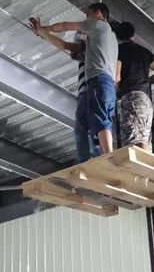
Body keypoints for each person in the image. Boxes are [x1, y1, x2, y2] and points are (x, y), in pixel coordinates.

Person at [33, 3, 119, 155]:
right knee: (102, 121)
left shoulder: (99, 25)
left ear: (98, 14)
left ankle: (109, 156)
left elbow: (67, 25)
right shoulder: (109, 39)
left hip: (99, 80)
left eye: (88, 15)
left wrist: (46, 28)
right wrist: (44, 34)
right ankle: (106, 155)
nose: (86, 20)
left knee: (101, 122)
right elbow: (66, 45)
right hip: (109, 86)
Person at [29, 17, 101, 163]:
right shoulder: (90, 52)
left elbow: (66, 45)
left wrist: (45, 33)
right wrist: (45, 34)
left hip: (91, 90)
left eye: (80, 35)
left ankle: (95, 158)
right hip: (86, 91)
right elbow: (70, 47)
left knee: (89, 129)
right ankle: (89, 160)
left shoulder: (93, 45)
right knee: (84, 129)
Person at [114, 21, 154, 151]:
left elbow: (117, 77)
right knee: (143, 138)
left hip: (131, 99)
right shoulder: (144, 52)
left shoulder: (118, 52)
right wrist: (146, 81)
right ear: (132, 36)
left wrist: (116, 91)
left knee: (133, 141)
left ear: (117, 37)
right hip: (145, 100)